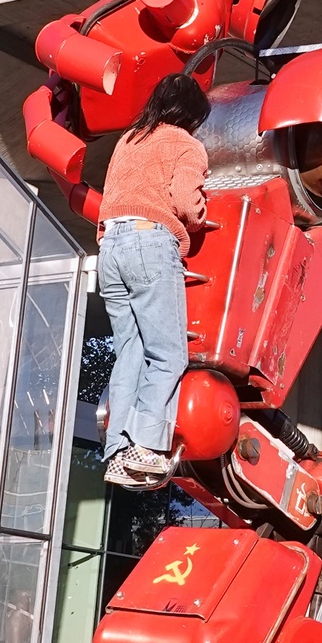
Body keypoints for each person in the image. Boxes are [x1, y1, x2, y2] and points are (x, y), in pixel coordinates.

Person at [96, 73, 210, 492]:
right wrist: (200, 211)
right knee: (168, 355)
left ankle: (116, 451)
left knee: (129, 351)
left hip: (110, 247)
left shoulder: (128, 141)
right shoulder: (185, 144)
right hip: (150, 241)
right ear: (191, 114)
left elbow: (111, 197)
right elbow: (185, 202)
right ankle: (146, 444)